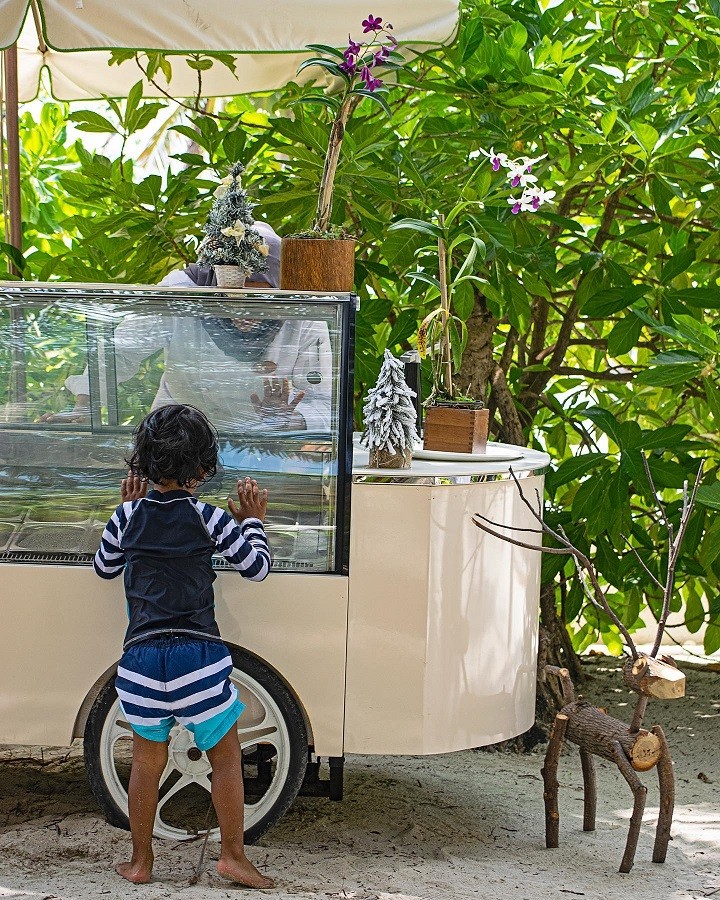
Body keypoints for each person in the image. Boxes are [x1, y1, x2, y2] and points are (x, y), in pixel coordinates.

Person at [93, 404, 274, 888]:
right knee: (225, 757)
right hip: (197, 657)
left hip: (141, 661)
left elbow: (104, 567)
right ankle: (233, 855)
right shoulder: (210, 517)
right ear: (202, 468)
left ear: (144, 466)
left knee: (147, 761)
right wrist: (252, 520)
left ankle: (140, 862)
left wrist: (121, 510)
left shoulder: (127, 516)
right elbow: (256, 567)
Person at [45, 222, 332, 431]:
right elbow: (119, 352)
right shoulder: (181, 292)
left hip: (261, 442)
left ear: (278, 288)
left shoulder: (304, 311)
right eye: (231, 299)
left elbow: (323, 404)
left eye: (257, 300)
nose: (245, 313)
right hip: (176, 435)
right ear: (213, 283)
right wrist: (82, 406)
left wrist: (286, 419)